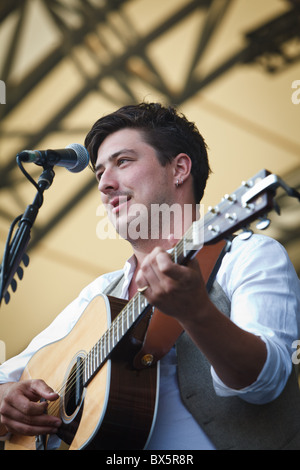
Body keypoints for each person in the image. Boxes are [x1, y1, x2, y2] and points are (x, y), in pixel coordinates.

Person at [0, 102, 300, 450]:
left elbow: (267, 382)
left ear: (179, 169)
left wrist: (197, 312)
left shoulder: (247, 257)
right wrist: (7, 399)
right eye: (99, 174)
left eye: (122, 161)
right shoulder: (98, 295)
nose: (105, 185)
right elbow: (10, 375)